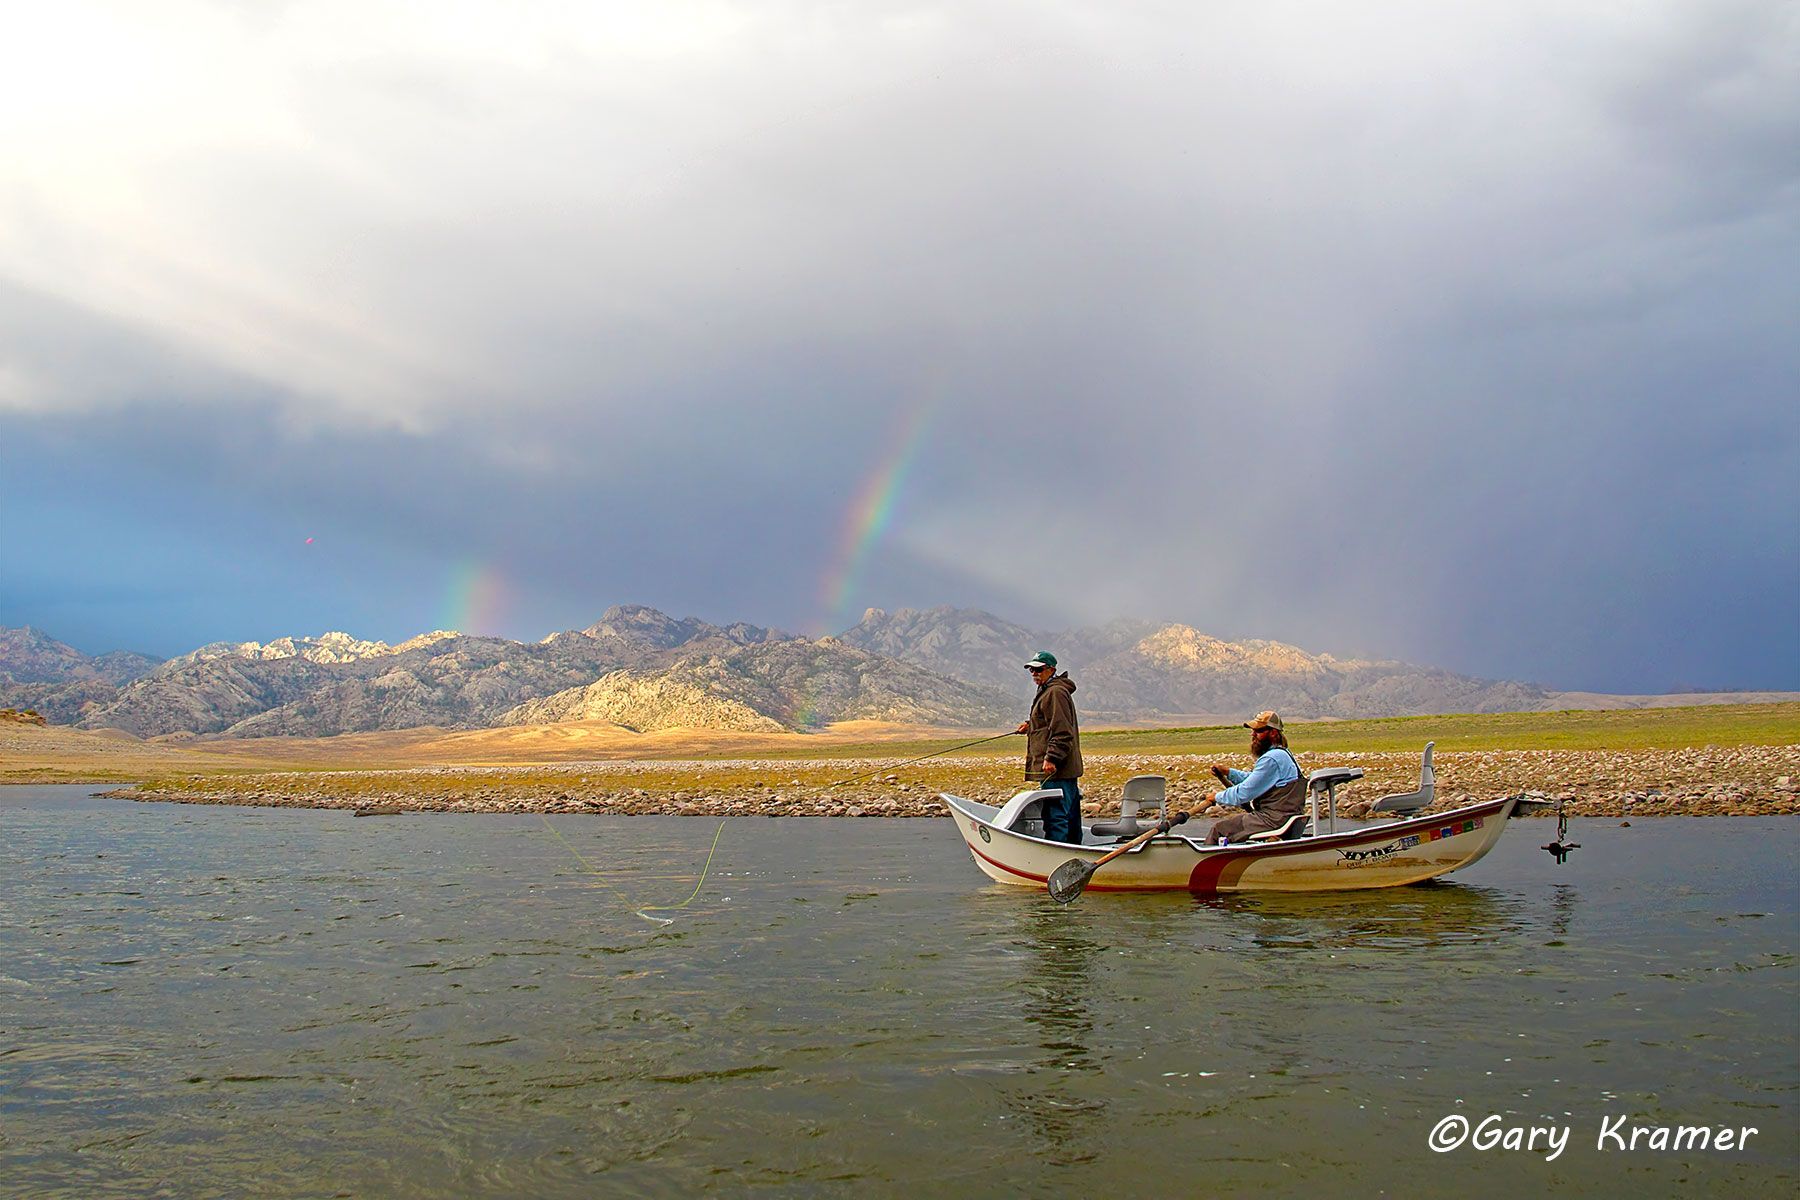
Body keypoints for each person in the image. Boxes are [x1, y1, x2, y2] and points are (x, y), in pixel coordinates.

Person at [1202, 711, 1306, 845]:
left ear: (1273, 733)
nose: (1253, 734)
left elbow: (1243, 793)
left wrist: (1216, 797)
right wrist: (1229, 772)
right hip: (1284, 818)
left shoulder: (1271, 759)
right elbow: (1255, 780)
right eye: (1253, 731)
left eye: (1258, 731)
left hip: (1273, 820)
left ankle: (1207, 857)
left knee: (1219, 830)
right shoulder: (1283, 754)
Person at [1014, 651, 1084, 844]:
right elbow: (1049, 722)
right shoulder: (1049, 690)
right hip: (1064, 769)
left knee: (1056, 816)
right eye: (1031, 670)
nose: (1034, 673)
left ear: (1051, 670)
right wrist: (1031, 725)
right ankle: (1073, 850)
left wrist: (1051, 758)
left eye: (1039, 669)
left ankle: (1058, 853)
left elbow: (1062, 731)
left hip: (1056, 770)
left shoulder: (1055, 693)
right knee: (1069, 814)